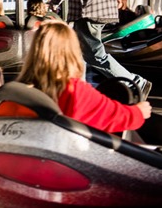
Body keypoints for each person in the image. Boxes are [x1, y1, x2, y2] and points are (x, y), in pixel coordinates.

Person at [16, 21, 151, 133]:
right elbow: (114, 116)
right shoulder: (74, 91)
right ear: (71, 50)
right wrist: (139, 111)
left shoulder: (17, 90)